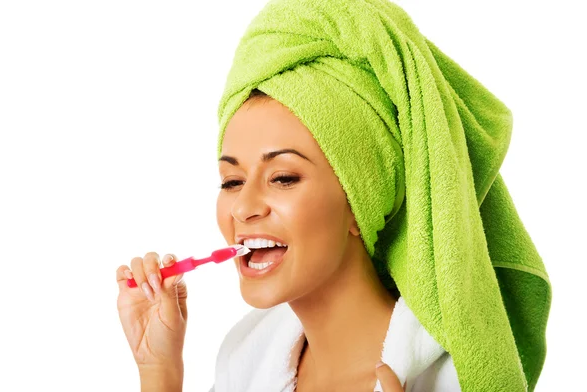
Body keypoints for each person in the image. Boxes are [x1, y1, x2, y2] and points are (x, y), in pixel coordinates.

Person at [116, 1, 552, 391]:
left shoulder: (449, 381)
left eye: (283, 177)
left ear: (360, 204)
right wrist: (159, 372)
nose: (245, 207)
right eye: (231, 181)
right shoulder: (242, 363)